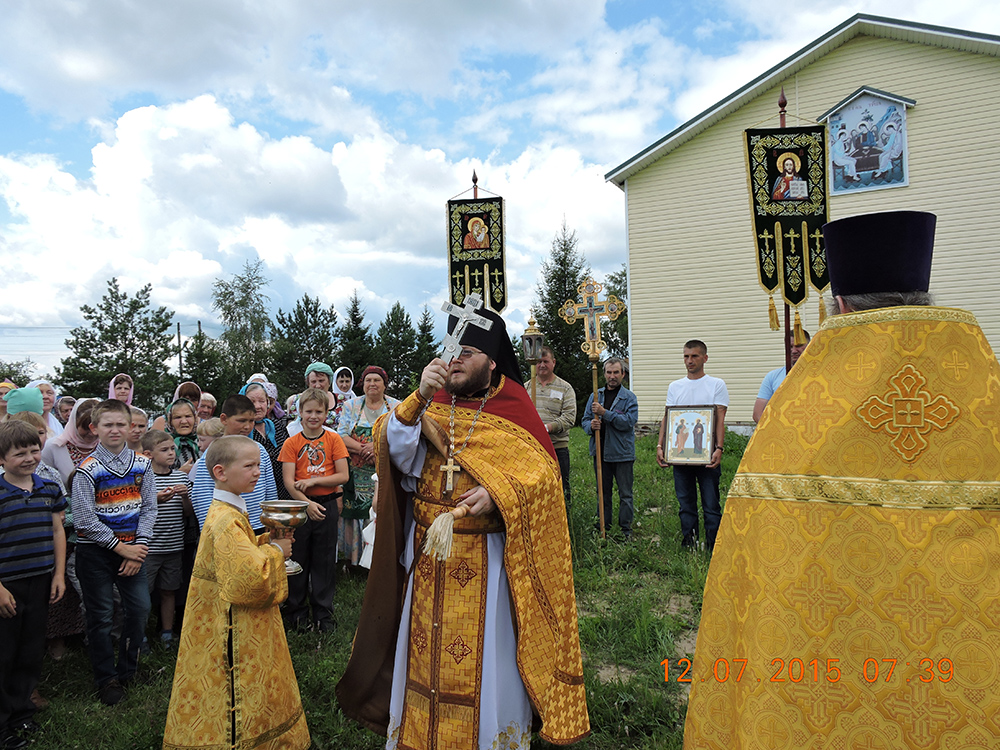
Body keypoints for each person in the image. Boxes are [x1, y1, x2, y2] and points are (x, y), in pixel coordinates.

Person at [682, 210, 1000, 747]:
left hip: (820, 669)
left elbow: (758, 553)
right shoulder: (984, 396)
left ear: (843, 307)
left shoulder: (800, 416)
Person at [336, 306, 589, 748]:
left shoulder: (514, 408)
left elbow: (544, 479)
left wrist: (499, 492)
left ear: (491, 361)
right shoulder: (430, 401)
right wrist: (417, 397)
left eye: (467, 352)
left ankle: (488, 738)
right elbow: (395, 454)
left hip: (487, 559)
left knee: (487, 656)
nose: (454, 360)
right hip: (427, 554)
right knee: (423, 648)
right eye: (451, 350)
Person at [163, 436, 310, 750]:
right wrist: (276, 552)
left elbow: (237, 558)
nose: (258, 472)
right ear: (220, 472)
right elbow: (248, 581)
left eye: (259, 465)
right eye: (249, 466)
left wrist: (264, 544)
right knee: (234, 688)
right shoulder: (226, 520)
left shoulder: (228, 510)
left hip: (220, 615)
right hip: (230, 626)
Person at [72, 399, 156, 706]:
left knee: (140, 608)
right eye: (108, 425)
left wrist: (139, 547)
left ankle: (128, 669)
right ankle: (106, 678)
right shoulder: (87, 470)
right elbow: (84, 519)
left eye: (121, 424)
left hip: (133, 548)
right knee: (101, 615)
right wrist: (122, 549)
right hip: (96, 552)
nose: (115, 430)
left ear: (131, 427)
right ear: (95, 428)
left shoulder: (142, 465)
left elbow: (149, 508)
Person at [0, 421, 67, 750]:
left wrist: (58, 575)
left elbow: (57, 531)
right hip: (6, 586)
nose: (29, 458)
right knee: (4, 654)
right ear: (1, 459)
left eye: (34, 450)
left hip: (40, 580)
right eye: (19, 453)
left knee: (30, 650)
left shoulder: (49, 489)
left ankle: (21, 711)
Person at [279, 388, 349, 631]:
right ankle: (297, 613)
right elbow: (289, 481)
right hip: (300, 507)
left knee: (324, 559)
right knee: (298, 558)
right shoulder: (291, 443)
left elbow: (343, 475)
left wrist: (314, 482)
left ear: (326, 414)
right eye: (308, 411)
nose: (313, 416)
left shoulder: (333, 439)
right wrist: (306, 503)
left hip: (326, 504)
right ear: (300, 412)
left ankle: (323, 613)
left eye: (319, 412)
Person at [656, 340, 729, 551]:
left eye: (694, 356)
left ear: (705, 358)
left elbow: (719, 418)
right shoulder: (675, 386)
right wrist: (660, 446)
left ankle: (714, 546)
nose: (690, 361)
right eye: (686, 356)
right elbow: (668, 418)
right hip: (680, 456)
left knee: (711, 503)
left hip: (707, 455)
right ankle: (690, 543)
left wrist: (719, 448)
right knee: (685, 503)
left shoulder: (716, 384)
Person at [337, 366, 400, 566]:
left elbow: (401, 436)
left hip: (384, 470)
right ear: (362, 384)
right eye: (368, 380)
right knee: (354, 514)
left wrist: (377, 448)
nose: (372, 384)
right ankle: (353, 560)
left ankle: (379, 560)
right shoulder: (351, 405)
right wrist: (364, 449)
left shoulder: (396, 406)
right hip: (355, 471)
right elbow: (341, 435)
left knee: (380, 510)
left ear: (385, 384)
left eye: (377, 380)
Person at [189, 395, 277, 532]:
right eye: (241, 421)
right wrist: (210, 529)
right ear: (224, 419)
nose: (247, 426)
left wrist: (271, 521)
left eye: (251, 421)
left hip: (259, 525)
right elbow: (202, 496)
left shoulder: (259, 449)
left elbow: (270, 490)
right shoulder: (214, 452)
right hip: (225, 527)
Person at [139, 431, 191, 648]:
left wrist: (185, 496)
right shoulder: (142, 479)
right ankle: (139, 635)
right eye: (164, 450)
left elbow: (188, 513)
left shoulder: (180, 477)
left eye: (172, 449)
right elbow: (135, 509)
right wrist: (155, 500)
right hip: (148, 548)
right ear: (148, 454)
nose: (171, 453)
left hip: (174, 546)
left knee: (169, 590)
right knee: (143, 593)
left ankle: (167, 633)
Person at [582, 358, 638, 539]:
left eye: (616, 372)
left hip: (622, 453)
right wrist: (591, 426)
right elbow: (584, 420)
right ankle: (603, 527)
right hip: (600, 452)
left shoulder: (629, 397)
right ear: (604, 374)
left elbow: (628, 422)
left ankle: (625, 531)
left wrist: (605, 413)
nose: (612, 376)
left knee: (625, 494)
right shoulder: (595, 396)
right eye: (609, 372)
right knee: (603, 492)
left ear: (623, 374)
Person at [533, 346, 577, 505]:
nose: (542, 365)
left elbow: (569, 417)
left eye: (545, 361)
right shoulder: (526, 387)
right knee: (536, 489)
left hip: (557, 448)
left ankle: (565, 518)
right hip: (533, 449)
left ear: (554, 362)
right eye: (538, 362)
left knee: (561, 489)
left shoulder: (565, 388)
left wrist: (547, 428)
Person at [751, 330, 811, 423]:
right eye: (790, 347)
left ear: (809, 346)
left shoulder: (819, 376)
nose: (794, 351)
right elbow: (758, 414)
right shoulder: (772, 377)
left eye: (798, 346)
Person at [242, 382, 289, 498]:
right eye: (252, 402)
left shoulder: (278, 426)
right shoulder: (242, 432)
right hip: (255, 495)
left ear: (267, 403)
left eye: (262, 401)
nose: (257, 406)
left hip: (284, 492)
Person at [163, 398, 199, 474]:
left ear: (195, 418)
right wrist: (180, 473)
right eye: (178, 417)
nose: (184, 421)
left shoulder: (203, 443)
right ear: (169, 421)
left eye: (188, 416)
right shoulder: (161, 447)